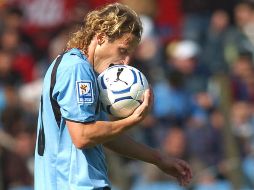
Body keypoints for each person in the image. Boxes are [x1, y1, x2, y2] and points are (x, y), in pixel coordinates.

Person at [34, 3, 192, 190]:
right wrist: (132, 121)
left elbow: (104, 135)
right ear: (100, 37)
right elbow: (82, 136)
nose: (125, 62)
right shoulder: (77, 69)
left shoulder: (80, 68)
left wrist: (158, 159)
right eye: (123, 50)